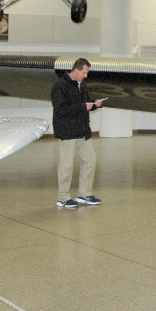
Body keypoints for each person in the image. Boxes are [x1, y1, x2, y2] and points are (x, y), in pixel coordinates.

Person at [51, 58, 105, 208]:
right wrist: (82, 107)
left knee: (90, 159)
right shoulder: (60, 86)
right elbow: (60, 110)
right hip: (67, 131)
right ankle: (63, 198)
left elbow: (85, 102)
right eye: (84, 72)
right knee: (66, 166)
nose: (86, 75)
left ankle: (84, 194)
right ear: (76, 70)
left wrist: (94, 104)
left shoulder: (82, 85)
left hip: (82, 130)